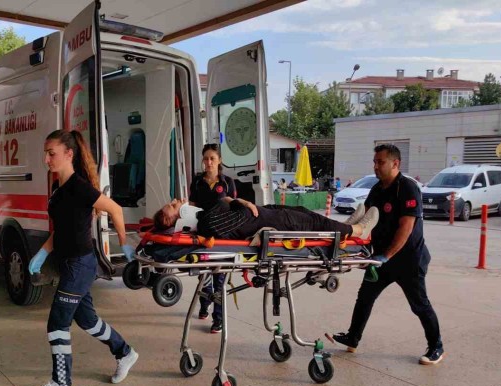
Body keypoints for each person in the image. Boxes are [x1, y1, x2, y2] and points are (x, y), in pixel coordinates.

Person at [28, 129, 139, 386]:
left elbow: (115, 209)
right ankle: (125, 352)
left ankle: (61, 384)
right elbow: (61, 230)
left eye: (51, 153)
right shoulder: (58, 188)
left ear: (69, 154)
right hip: (68, 263)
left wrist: (123, 244)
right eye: (45, 153)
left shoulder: (79, 187)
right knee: (87, 320)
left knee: (57, 323)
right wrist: (41, 253)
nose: (46, 159)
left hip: (80, 264)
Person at [326, 144, 444, 365]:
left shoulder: (407, 188)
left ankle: (436, 346)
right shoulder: (377, 189)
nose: (376, 166)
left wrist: (386, 255)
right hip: (381, 259)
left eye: (380, 162)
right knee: (365, 297)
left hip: (408, 260)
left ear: (395, 163)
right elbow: (365, 221)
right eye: (374, 162)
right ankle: (353, 338)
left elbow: (406, 228)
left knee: (419, 304)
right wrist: (351, 245)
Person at [188, 143, 254, 333]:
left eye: (212, 159)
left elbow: (233, 206)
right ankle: (204, 303)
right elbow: (192, 207)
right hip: (202, 232)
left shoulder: (227, 183)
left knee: (219, 276)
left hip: (223, 234)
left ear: (219, 161)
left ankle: (218, 318)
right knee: (203, 273)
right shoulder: (197, 182)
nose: (208, 162)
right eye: (206, 158)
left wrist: (248, 206)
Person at [153, 197, 378, 241]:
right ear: (179, 219)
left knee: (305, 212)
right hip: (272, 223)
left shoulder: (205, 217)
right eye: (173, 205)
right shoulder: (207, 223)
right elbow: (242, 216)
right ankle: (359, 231)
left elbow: (233, 207)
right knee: (314, 223)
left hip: (266, 214)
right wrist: (238, 202)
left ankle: (346, 227)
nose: (176, 200)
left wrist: (235, 201)